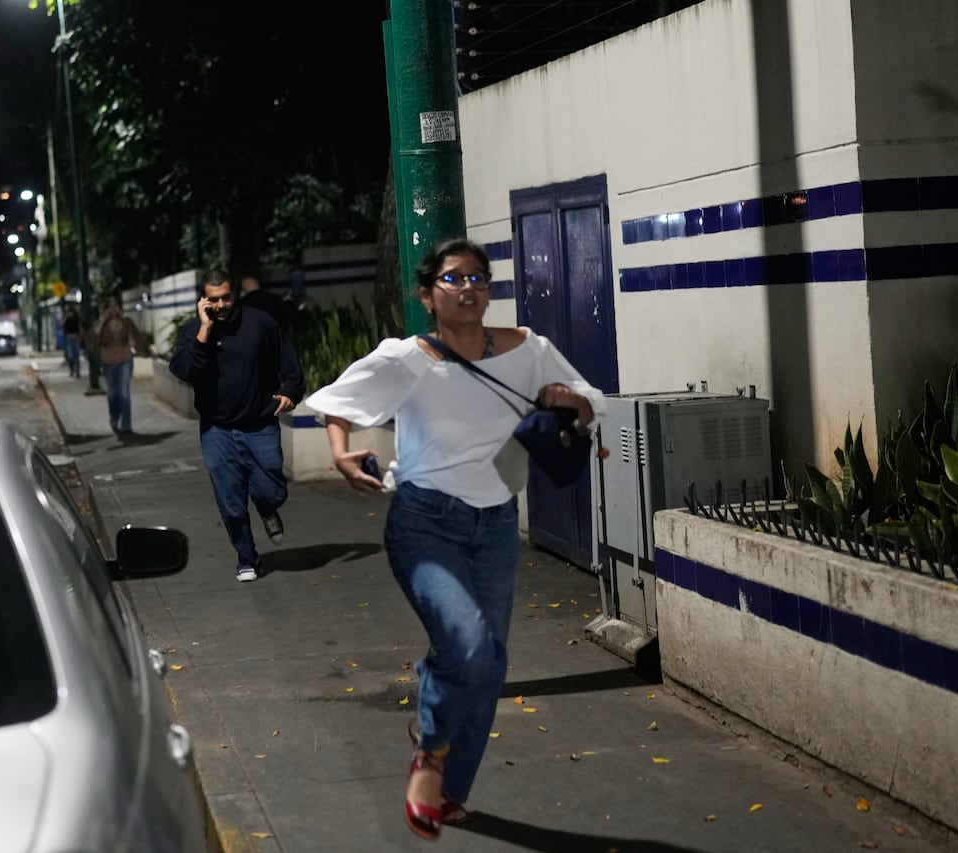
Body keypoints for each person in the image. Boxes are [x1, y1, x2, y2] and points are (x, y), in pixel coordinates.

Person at [305, 237, 605, 840]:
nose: (468, 287)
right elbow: (337, 403)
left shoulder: (529, 350)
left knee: (488, 666)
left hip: (495, 525)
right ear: (427, 295)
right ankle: (431, 747)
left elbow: (591, 404)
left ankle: (449, 792)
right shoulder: (405, 359)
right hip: (425, 523)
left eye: (477, 277)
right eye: (453, 278)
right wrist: (340, 454)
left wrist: (571, 401)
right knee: (467, 647)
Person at [169, 268, 305, 583]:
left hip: (261, 424)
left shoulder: (260, 323)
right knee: (230, 502)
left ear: (235, 295)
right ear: (204, 301)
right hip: (216, 430)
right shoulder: (194, 331)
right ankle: (247, 558)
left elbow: (288, 362)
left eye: (226, 298)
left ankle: (266, 506)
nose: (221, 305)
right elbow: (185, 371)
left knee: (272, 491)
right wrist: (204, 331)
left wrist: (291, 391)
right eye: (214, 300)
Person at [89, 296, 150, 434]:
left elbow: (137, 338)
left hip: (125, 360)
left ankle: (126, 424)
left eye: (115, 305)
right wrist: (103, 320)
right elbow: (92, 339)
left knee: (124, 392)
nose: (113, 309)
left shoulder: (126, 321)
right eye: (110, 306)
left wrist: (144, 350)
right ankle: (114, 417)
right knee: (112, 394)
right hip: (108, 362)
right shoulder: (101, 324)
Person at [62, 306, 82, 378]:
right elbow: (63, 326)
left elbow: (79, 328)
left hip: (75, 338)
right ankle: (72, 370)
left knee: (76, 356)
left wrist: (79, 337)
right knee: (70, 356)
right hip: (69, 338)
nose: (70, 314)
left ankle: (77, 371)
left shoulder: (76, 319)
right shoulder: (67, 320)